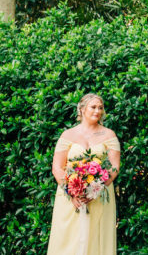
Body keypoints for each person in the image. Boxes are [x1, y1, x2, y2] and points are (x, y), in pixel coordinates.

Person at [47, 94, 121, 255]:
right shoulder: (67, 135)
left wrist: (96, 189)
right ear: (82, 109)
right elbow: (57, 168)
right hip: (71, 198)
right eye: (93, 107)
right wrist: (71, 192)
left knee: (97, 238)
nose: (98, 111)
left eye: (100, 107)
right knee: (68, 240)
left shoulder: (109, 135)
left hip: (99, 195)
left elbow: (114, 167)